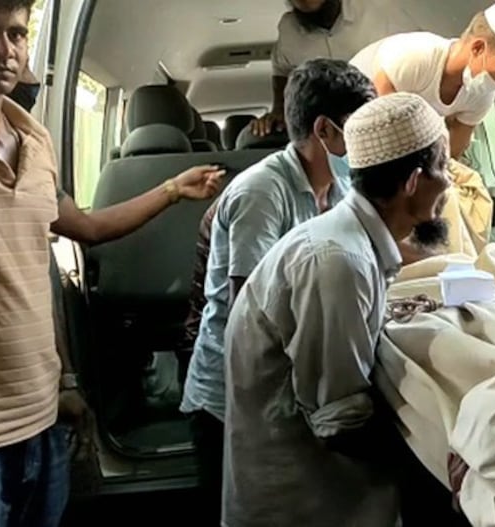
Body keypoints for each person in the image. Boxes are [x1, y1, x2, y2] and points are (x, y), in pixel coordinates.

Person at [0, 1, 219, 525]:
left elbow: (83, 232)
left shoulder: (35, 141)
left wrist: (173, 189)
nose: (4, 49)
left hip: (41, 422)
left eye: (16, 34)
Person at [222, 91, 450, 527]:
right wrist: (445, 454)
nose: (450, 183)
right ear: (413, 182)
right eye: (444, 169)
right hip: (306, 503)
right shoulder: (337, 261)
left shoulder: (351, 243)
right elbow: (341, 423)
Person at [179, 57, 376, 525]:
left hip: (287, 388)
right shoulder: (262, 193)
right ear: (326, 131)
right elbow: (255, 310)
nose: (367, 141)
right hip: (234, 397)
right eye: (360, 127)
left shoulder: (342, 187)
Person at [349, 0, 495, 158]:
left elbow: (453, 152)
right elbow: (381, 122)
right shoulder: (416, 55)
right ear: (478, 48)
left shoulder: (483, 93)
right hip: (350, 114)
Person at [251, 0, 418, 137]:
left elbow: (416, 56)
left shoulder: (379, 10)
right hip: (330, 128)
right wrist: (279, 110)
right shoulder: (289, 29)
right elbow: (282, 69)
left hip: (384, 115)